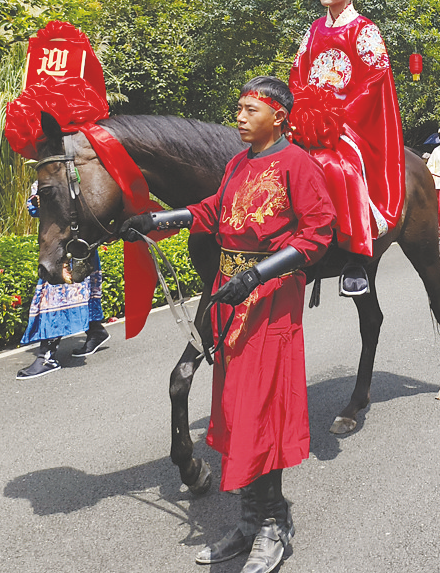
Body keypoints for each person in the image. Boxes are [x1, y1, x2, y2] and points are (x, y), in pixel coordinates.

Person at [122, 77, 335, 573]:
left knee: (264, 407)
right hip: (229, 295)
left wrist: (257, 273)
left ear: (279, 115)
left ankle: (275, 524)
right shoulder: (238, 163)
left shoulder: (297, 164)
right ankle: (247, 520)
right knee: (238, 406)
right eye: (237, 108)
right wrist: (158, 220)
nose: (238, 117)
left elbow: (317, 234)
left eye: (249, 109)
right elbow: (213, 211)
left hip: (270, 296)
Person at [289, 0, 404, 298]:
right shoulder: (314, 29)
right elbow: (298, 73)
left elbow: (374, 79)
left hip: (350, 123)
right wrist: (300, 109)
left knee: (339, 169)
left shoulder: (364, 30)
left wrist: (339, 117)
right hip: (309, 120)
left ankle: (355, 255)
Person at [16, 239, 110, 379]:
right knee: (82, 288)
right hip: (79, 240)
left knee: (56, 294)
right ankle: (95, 331)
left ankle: (47, 356)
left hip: (65, 244)